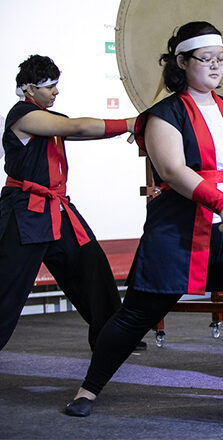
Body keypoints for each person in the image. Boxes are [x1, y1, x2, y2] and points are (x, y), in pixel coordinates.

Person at [65, 21, 223, 417]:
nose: (217, 67)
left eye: (221, 59)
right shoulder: (162, 115)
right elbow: (172, 170)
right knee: (135, 315)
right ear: (182, 61)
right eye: (207, 59)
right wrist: (221, 201)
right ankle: (88, 389)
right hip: (179, 233)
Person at [0, 55, 135, 352]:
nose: (55, 92)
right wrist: (128, 123)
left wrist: (128, 127)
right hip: (26, 211)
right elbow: (79, 128)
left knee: (92, 266)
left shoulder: (51, 118)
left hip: (57, 210)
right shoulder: (22, 115)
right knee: (7, 291)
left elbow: (82, 129)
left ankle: (112, 337)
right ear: (29, 89)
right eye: (49, 87)